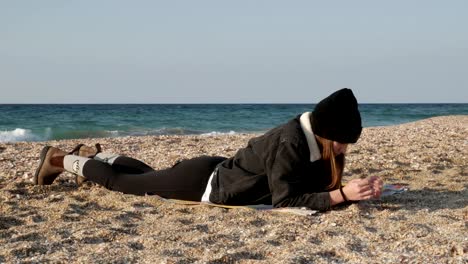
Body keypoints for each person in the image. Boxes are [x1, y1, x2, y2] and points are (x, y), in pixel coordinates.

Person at [34, 88, 383, 211]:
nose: (343, 149)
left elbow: (306, 186)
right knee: (124, 183)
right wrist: (340, 196)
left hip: (217, 171)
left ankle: (91, 155)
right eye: (342, 142)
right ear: (325, 132)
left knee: (146, 175)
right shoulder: (291, 142)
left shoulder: (311, 141)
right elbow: (285, 199)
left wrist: (353, 191)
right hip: (204, 184)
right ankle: (58, 159)